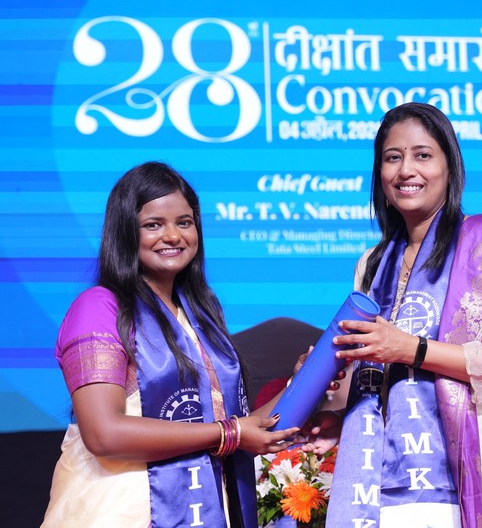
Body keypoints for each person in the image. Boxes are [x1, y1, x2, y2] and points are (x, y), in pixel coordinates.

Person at [299, 102, 482, 527]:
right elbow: (380, 380)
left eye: (423, 155)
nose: (406, 170)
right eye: (392, 157)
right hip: (386, 483)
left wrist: (412, 349)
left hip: (476, 475)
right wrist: (332, 394)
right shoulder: (371, 264)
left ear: (450, 167)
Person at [41, 161, 299, 527]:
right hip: (120, 511)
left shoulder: (199, 314)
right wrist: (230, 433)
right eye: (153, 225)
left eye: (184, 222)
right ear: (125, 231)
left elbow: (243, 425)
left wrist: (304, 382)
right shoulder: (99, 308)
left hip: (203, 507)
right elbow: (103, 434)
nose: (173, 235)